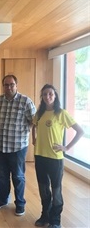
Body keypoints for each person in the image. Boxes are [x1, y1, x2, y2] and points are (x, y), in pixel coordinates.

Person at [32, 84, 84, 228]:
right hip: (40, 156)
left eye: (50, 94)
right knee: (43, 189)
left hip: (55, 158)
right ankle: (45, 215)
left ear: (55, 96)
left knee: (56, 190)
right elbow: (34, 125)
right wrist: (34, 139)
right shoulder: (39, 113)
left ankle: (55, 220)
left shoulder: (61, 113)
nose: (47, 97)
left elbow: (80, 131)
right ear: (41, 97)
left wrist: (66, 147)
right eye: (44, 94)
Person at [0, 74, 36, 216]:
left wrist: (26, 132)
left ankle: (20, 203)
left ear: (16, 85)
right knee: (3, 175)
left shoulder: (25, 101)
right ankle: (3, 199)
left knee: (18, 176)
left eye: (11, 84)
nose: (9, 87)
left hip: (18, 147)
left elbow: (33, 121)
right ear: (3, 86)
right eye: (6, 85)